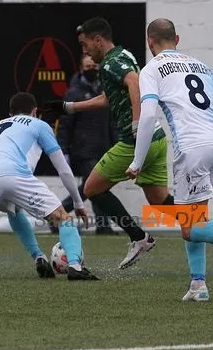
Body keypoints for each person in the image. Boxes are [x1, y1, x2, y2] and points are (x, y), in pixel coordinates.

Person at [126, 19, 213, 301]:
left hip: (192, 149)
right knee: (195, 218)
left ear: (149, 42)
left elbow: (148, 117)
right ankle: (198, 285)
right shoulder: (202, 66)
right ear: (177, 39)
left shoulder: (151, 69)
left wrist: (137, 162)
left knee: (189, 226)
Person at [42, 17, 173, 270]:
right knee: (160, 202)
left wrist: (136, 125)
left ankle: (138, 237)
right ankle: (208, 229)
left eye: (85, 44)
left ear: (98, 40)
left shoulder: (112, 62)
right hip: (156, 138)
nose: (85, 51)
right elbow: (108, 98)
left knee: (91, 189)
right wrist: (69, 107)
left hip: (136, 141)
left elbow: (134, 82)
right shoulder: (123, 54)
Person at [0, 92, 98, 281]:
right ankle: (75, 266)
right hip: (11, 177)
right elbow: (63, 170)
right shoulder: (39, 125)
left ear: (10, 113)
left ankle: (38, 257)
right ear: (35, 111)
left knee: (14, 210)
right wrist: (78, 203)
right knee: (64, 219)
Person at [56, 52, 119, 236]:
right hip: (83, 150)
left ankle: (57, 214)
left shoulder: (104, 90)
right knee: (95, 186)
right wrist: (63, 149)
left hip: (104, 147)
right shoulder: (73, 93)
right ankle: (103, 226)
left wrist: (116, 143)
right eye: (88, 67)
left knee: (90, 187)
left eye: (95, 67)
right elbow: (65, 125)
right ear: (81, 68)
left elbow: (111, 121)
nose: (92, 70)